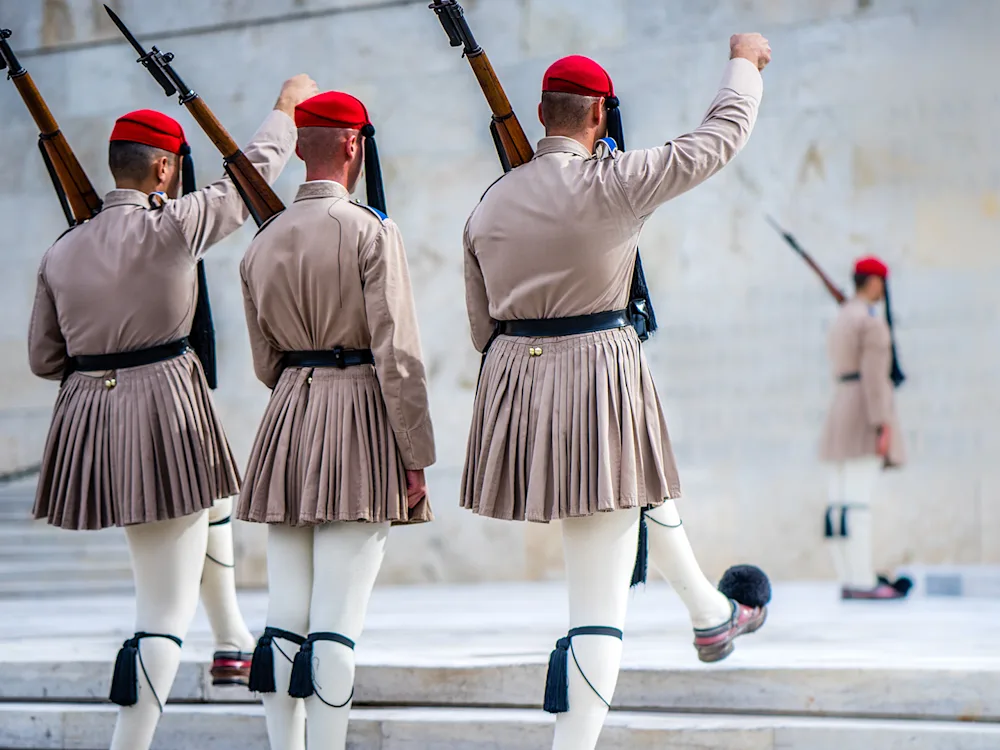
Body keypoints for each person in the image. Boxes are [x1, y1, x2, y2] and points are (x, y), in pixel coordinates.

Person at [460, 37, 772, 750]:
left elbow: (482, 323)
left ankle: (711, 615)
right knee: (596, 608)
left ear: (542, 113)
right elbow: (721, 135)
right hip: (598, 376)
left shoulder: (487, 204)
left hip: (518, 382)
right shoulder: (617, 182)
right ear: (600, 114)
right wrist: (743, 65)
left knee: (641, 490)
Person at [28, 74, 318, 750]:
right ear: (163, 168)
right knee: (161, 611)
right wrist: (284, 109)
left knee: (207, 506)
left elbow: (47, 359)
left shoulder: (61, 251)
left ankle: (229, 640)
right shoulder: (175, 226)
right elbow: (254, 176)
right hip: (163, 410)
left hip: (92, 422)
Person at [236, 90, 435, 750]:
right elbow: (397, 354)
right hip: (356, 414)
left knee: (284, 621)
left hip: (289, 418)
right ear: (354, 145)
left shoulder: (260, 244)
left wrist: (304, 388)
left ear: (297, 148)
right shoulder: (371, 230)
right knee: (336, 628)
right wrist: (414, 455)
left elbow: (265, 361)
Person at [819, 256, 909, 600]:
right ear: (873, 283)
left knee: (841, 503)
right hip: (862, 413)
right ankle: (862, 580)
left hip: (841, 408)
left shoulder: (842, 317)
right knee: (858, 503)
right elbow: (875, 379)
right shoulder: (870, 323)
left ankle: (850, 575)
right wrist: (881, 424)